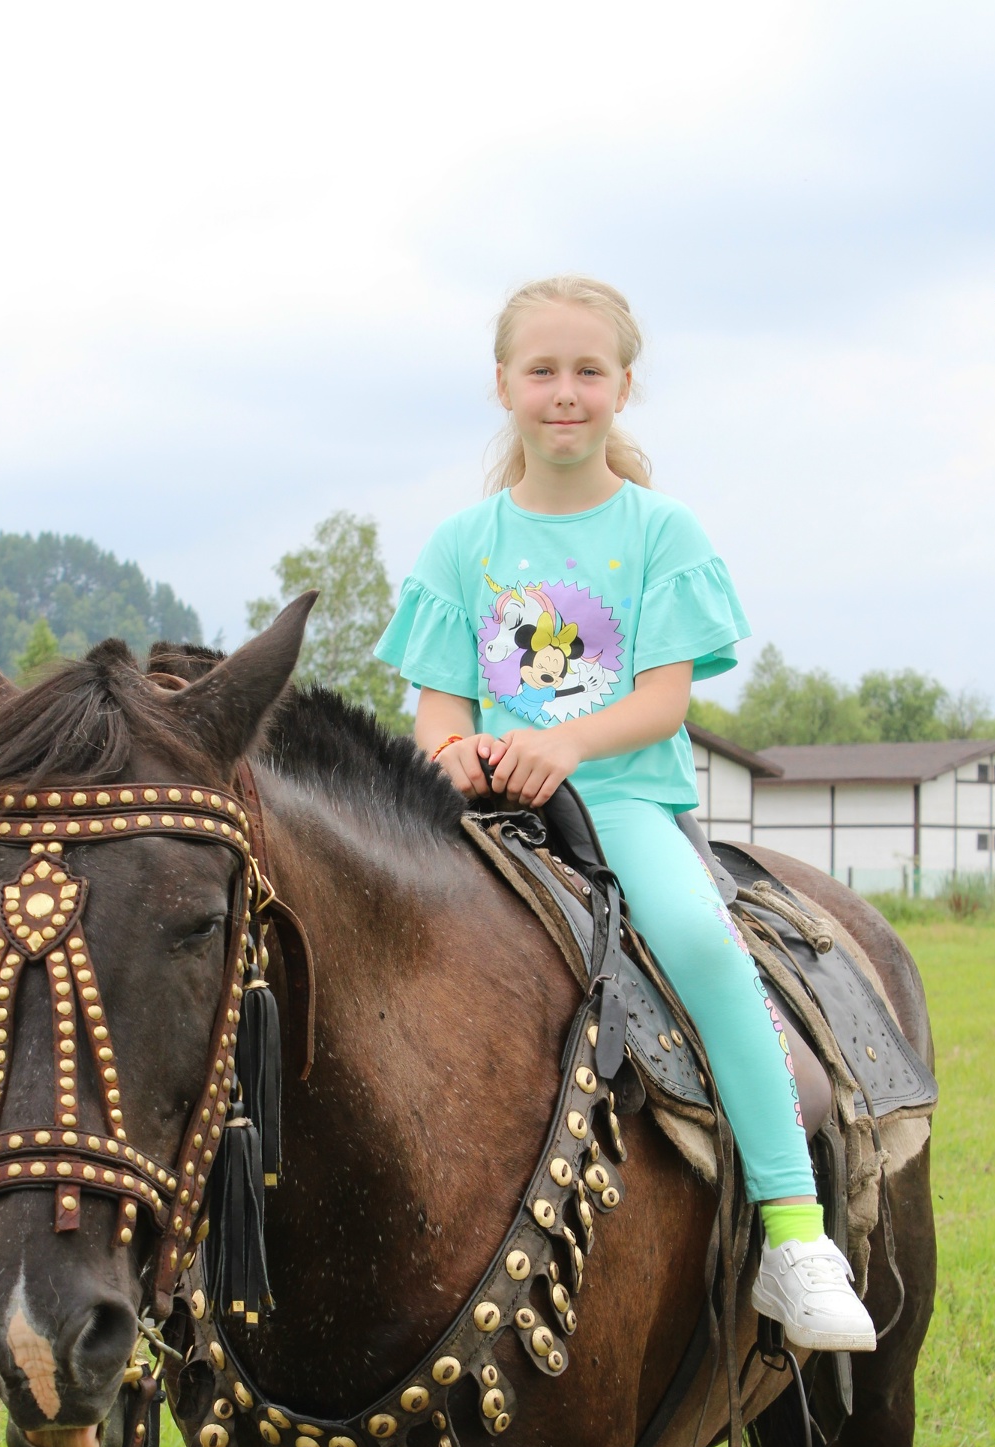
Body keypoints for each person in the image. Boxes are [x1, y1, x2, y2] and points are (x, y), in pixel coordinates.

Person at [374, 274, 874, 1352]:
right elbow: (435, 708)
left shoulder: (659, 531)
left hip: (618, 798)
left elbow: (660, 700)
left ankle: (792, 1231)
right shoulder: (461, 545)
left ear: (623, 387)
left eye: (586, 371)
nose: (564, 392)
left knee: (696, 934)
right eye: (542, 370)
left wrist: (560, 743)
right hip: (486, 811)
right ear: (502, 385)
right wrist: (455, 754)